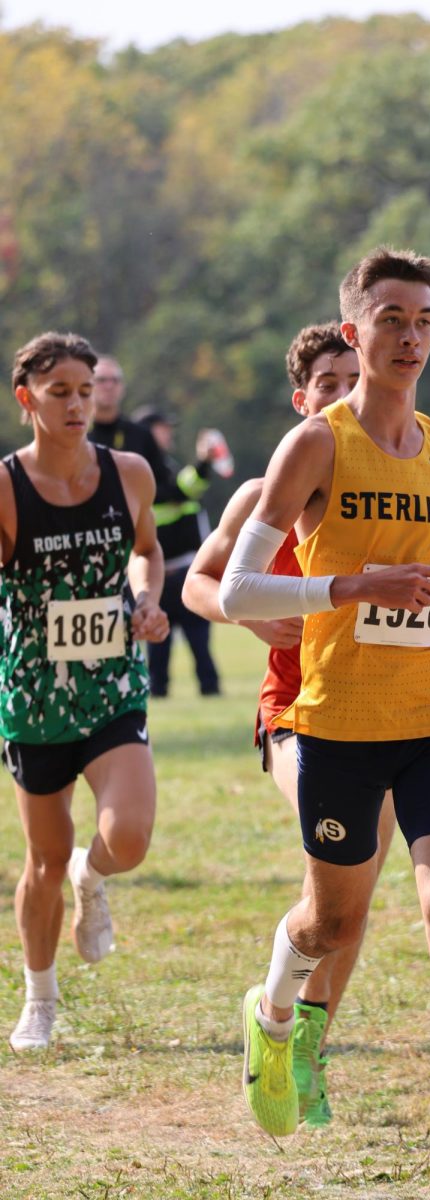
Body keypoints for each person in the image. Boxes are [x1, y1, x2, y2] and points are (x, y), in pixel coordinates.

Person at [218, 248, 430, 1200]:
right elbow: (235, 590)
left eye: (425, 319)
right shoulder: (316, 444)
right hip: (340, 725)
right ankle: (273, 1018)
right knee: (332, 919)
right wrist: (350, 586)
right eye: (392, 318)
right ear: (354, 333)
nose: (411, 335)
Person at [183, 320, 396, 1127]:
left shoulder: (391, 470)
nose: (348, 395)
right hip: (294, 712)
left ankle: (306, 1045)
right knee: (346, 863)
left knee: (358, 886)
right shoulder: (266, 489)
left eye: (356, 379)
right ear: (301, 398)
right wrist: (246, 619)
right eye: (331, 384)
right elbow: (202, 584)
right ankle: (277, 1018)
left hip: (381, 705)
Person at [0, 332, 168, 1052]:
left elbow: (148, 552)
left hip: (110, 684)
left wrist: (147, 599)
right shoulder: (5, 487)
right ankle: (39, 999)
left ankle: (91, 879)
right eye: (60, 390)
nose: (79, 403)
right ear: (26, 398)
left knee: (126, 837)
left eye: (86, 387)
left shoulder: (128, 473)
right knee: (41, 856)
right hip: (34, 696)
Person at [131, 406, 221, 698]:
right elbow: (177, 492)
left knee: (198, 639)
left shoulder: (163, 465)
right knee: (160, 643)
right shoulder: (140, 468)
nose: (168, 433)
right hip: (161, 572)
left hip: (184, 569)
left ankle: (208, 690)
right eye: (162, 427)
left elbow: (184, 490)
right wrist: (203, 462)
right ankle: (161, 692)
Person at [88, 356, 172, 497]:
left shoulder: (141, 435)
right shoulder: (75, 434)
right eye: (101, 380)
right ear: (87, 386)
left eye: (115, 380)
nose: (109, 386)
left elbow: (163, 485)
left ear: (123, 388)